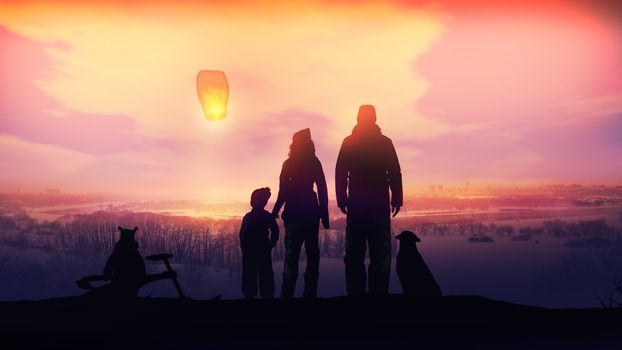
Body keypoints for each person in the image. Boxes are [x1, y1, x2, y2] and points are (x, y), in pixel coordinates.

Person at [335, 105, 403, 295]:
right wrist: (396, 197)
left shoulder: (350, 142)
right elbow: (394, 172)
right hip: (375, 206)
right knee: (378, 255)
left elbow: (341, 172)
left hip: (360, 206)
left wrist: (342, 198)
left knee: (357, 256)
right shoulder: (384, 142)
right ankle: (376, 295)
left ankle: (358, 294)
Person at [272, 128, 329, 298]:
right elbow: (322, 189)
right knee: (312, 255)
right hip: (311, 213)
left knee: (291, 256)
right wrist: (323, 214)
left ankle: (287, 294)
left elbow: (283, 191)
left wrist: (275, 211)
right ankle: (310, 293)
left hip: (294, 213)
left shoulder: (288, 163)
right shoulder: (314, 162)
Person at [239, 187, 280, 299]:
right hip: (263, 250)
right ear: (264, 202)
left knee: (250, 275)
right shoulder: (267, 216)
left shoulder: (248, 217)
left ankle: (251, 294)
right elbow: (275, 231)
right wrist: (271, 243)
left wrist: (244, 248)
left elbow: (242, 235)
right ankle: (266, 294)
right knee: (265, 274)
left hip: (251, 251)